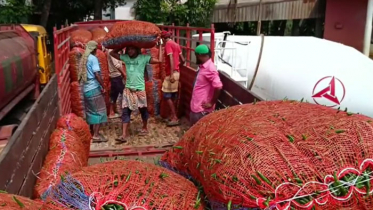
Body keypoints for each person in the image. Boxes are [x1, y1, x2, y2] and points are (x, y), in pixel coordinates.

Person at [110, 46, 162, 143]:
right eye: (128, 49)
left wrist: (160, 46)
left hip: (140, 90)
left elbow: (159, 61)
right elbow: (112, 53)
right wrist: (120, 45)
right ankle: (124, 135)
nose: (130, 51)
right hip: (128, 89)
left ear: (137, 50)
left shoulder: (144, 58)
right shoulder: (125, 57)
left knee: (143, 110)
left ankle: (145, 127)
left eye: (132, 49)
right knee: (126, 111)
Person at [79, 41, 108, 142]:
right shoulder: (93, 58)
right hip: (93, 88)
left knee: (91, 111)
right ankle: (96, 135)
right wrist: (103, 86)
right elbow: (96, 74)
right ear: (94, 49)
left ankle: (92, 132)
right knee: (99, 112)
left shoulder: (84, 58)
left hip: (86, 89)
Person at [190, 44, 223, 126]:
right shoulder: (203, 66)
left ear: (200, 55)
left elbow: (218, 86)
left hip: (201, 109)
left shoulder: (210, 68)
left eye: (196, 55)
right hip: (196, 106)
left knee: (197, 132)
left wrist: (211, 103)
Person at [160, 30, 186, 126]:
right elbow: (183, 60)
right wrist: (178, 67)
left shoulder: (168, 44)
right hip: (177, 72)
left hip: (171, 73)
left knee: (166, 94)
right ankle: (172, 115)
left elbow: (170, 58)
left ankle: (174, 117)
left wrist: (171, 73)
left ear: (163, 38)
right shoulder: (176, 44)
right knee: (173, 95)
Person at [106, 48, 125, 119]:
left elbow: (119, 62)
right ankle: (124, 113)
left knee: (114, 94)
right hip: (116, 76)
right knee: (124, 93)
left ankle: (111, 112)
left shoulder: (115, 51)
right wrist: (124, 74)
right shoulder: (112, 51)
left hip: (114, 76)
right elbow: (117, 65)